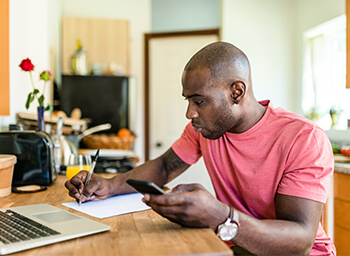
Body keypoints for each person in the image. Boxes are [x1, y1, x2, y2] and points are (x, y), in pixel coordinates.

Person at [65, 41, 335, 255]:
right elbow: (164, 166)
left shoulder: (303, 137)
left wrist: (220, 215)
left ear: (236, 92)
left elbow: (299, 243)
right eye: (187, 101)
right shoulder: (207, 127)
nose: (189, 113)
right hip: (237, 245)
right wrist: (110, 186)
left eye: (199, 101)